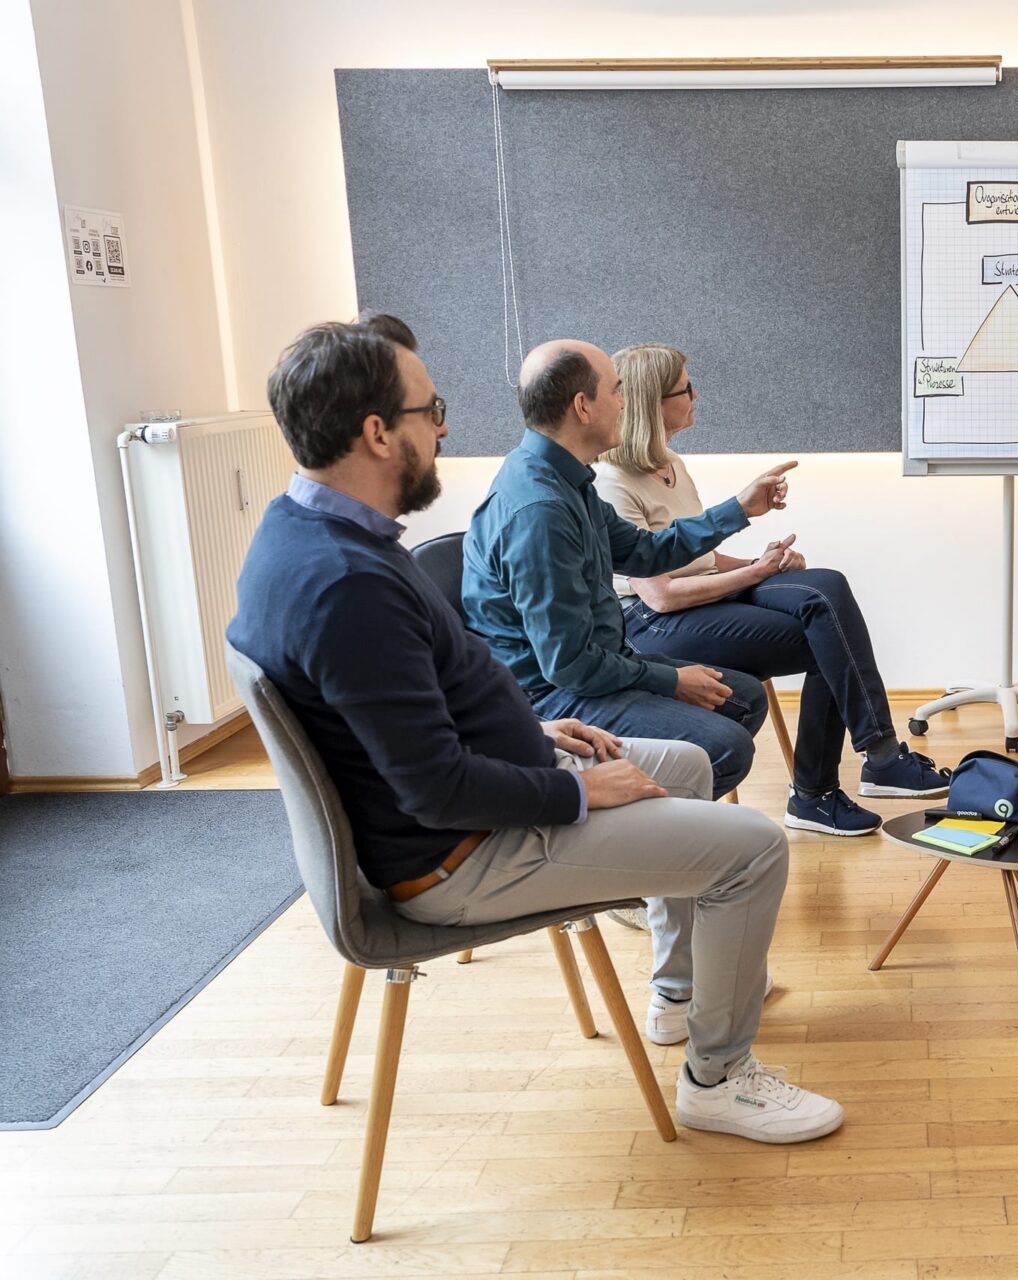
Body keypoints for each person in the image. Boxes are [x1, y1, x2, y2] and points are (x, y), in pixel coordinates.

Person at [229, 317, 844, 1143]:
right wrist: (573, 789)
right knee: (755, 847)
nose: (444, 426)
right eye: (430, 408)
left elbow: (419, 720)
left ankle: (678, 994)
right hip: (462, 853)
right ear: (378, 433)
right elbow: (433, 787)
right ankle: (719, 1076)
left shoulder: (305, 535)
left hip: (498, 784)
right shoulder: (349, 585)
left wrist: (540, 732)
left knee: (692, 770)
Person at [593, 343, 951, 838]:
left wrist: (762, 563)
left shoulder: (670, 461)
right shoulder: (611, 481)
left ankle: (862, 768)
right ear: (655, 403)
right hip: (651, 627)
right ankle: (834, 785)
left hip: (700, 598)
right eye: (686, 388)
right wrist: (756, 575)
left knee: (827, 588)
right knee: (830, 640)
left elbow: (700, 560)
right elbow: (660, 595)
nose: (697, 394)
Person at [464, 340, 797, 801]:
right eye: (617, 391)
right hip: (549, 696)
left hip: (594, 664)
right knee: (726, 747)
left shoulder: (565, 479)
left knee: (742, 697)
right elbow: (568, 667)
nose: (626, 402)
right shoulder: (539, 511)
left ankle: (670, 824)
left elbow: (644, 552)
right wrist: (671, 681)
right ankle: (641, 839)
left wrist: (739, 508)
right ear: (583, 406)